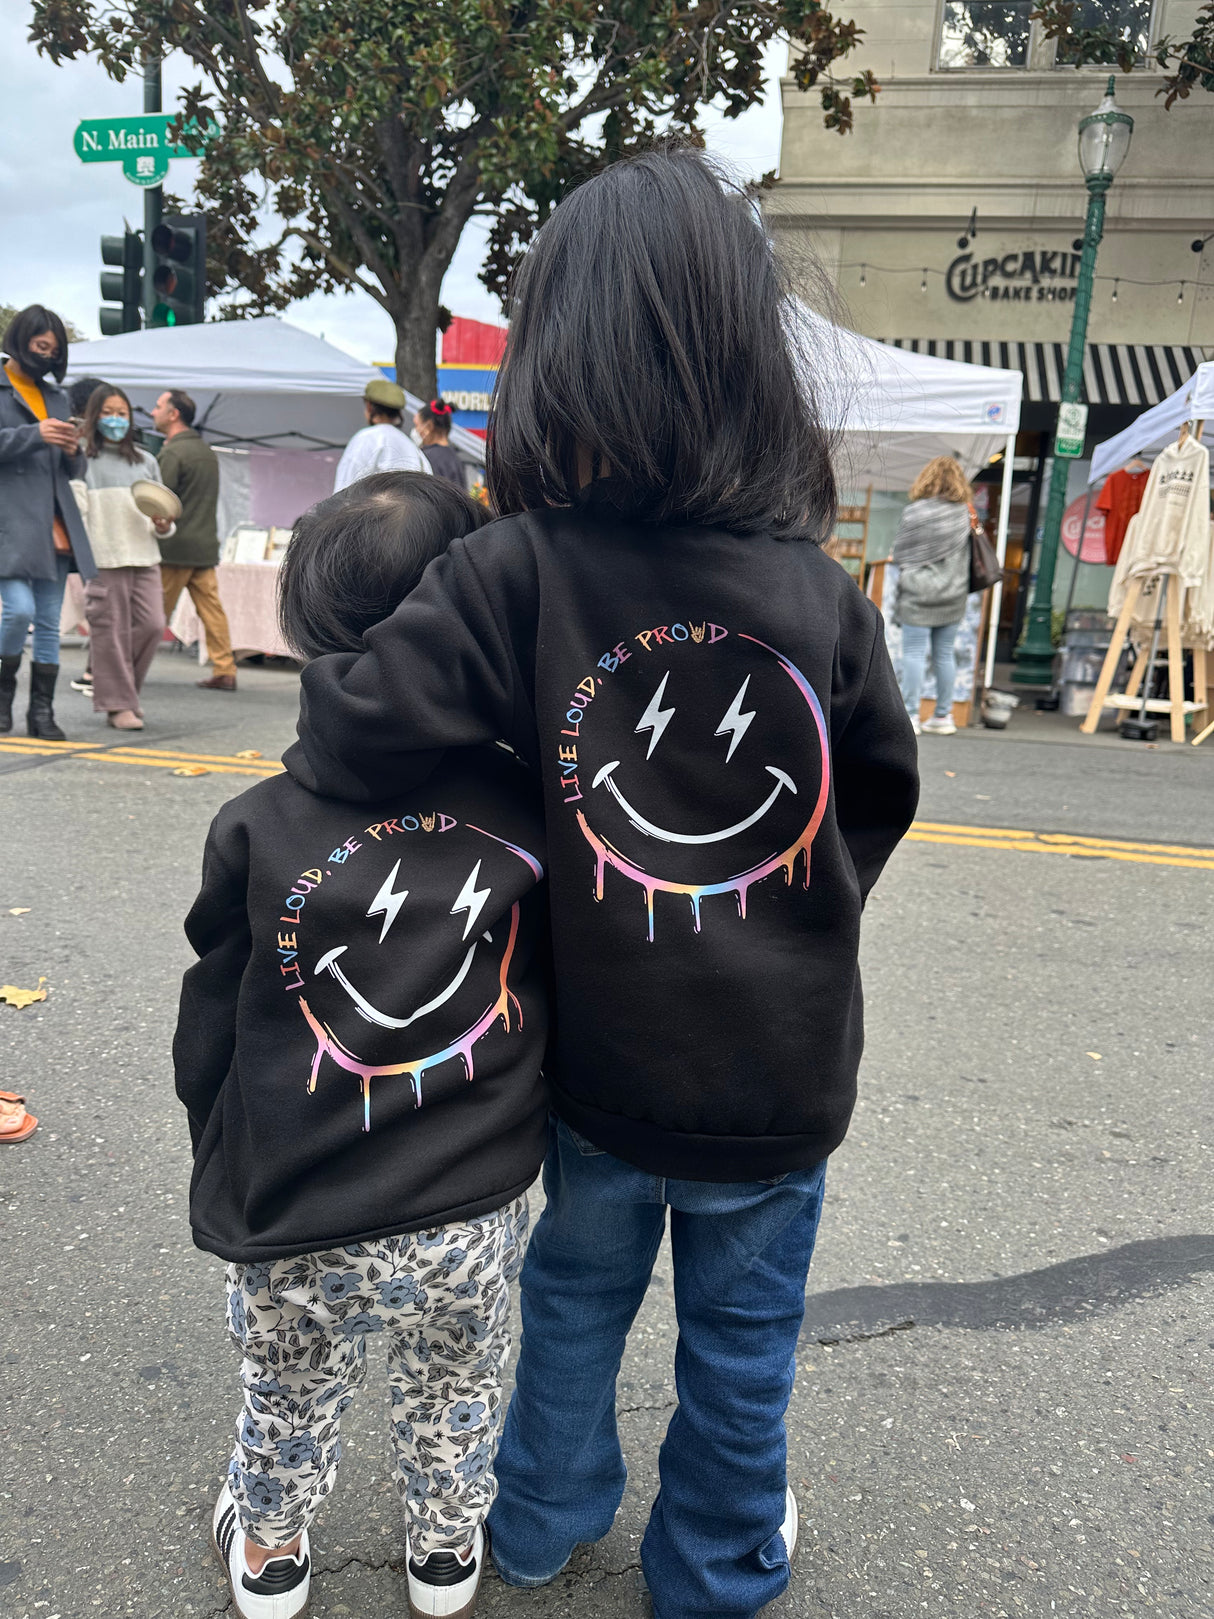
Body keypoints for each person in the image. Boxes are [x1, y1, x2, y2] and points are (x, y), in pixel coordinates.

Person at [287, 149, 920, 1619]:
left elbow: (351, 722)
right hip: (780, 1065)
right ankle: (715, 1564)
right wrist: (793, 917)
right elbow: (874, 791)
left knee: (568, 1308)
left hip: (588, 1062)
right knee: (745, 1334)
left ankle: (538, 1520)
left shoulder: (516, 569)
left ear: (555, 356)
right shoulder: (816, 590)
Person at [175, 471, 548, 1619]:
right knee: (456, 1381)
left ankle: (273, 1551)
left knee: (286, 1388)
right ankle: (442, 1552)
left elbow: (213, 1018)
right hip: (468, 1199)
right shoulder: (525, 807)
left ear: (302, 625)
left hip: (299, 1204)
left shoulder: (257, 823)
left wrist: (221, 1146)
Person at [0, 306, 98, 740]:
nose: (46, 355)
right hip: (10, 520)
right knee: (18, 610)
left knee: (49, 621)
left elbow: (73, 473)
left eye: (53, 350)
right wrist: (34, 434)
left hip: (55, 523)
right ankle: (3, 704)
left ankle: (42, 714)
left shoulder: (56, 397)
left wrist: (74, 450)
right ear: (20, 341)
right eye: (41, 346)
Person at [77, 384, 172, 730]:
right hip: (103, 559)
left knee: (152, 625)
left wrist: (163, 525)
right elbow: (78, 513)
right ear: (94, 415)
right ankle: (119, 704)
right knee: (109, 631)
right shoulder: (82, 458)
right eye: (107, 412)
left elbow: (160, 513)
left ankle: (125, 694)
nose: (115, 419)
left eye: (122, 413)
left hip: (145, 555)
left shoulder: (146, 461)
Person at [152, 389, 239, 692]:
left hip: (174, 547)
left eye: (158, 406)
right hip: (204, 546)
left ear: (173, 414)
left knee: (154, 613)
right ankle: (225, 668)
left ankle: (129, 668)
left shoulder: (173, 453)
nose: (153, 412)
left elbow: (159, 500)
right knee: (212, 611)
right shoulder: (206, 451)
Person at [891, 455, 974, 737]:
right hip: (953, 593)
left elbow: (901, 554)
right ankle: (943, 716)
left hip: (917, 592)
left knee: (914, 654)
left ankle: (911, 715)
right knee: (944, 654)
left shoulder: (915, 512)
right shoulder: (965, 514)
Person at [334, 378, 432, 491]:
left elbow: (343, 491)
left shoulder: (365, 439)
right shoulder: (413, 448)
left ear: (370, 407)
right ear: (398, 413)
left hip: (371, 508)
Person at [413, 397, 464, 488]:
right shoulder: (455, 457)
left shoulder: (427, 457)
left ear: (429, 426)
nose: (416, 430)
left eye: (417, 425)